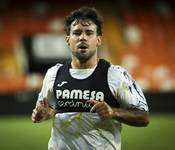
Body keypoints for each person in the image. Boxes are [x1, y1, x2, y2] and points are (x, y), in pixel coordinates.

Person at [31, 6, 150, 150]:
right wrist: (44, 114)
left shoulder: (116, 74)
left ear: (98, 40)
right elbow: (48, 109)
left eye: (89, 33)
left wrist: (113, 112)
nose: (83, 37)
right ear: (68, 39)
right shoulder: (53, 74)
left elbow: (144, 117)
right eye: (77, 33)